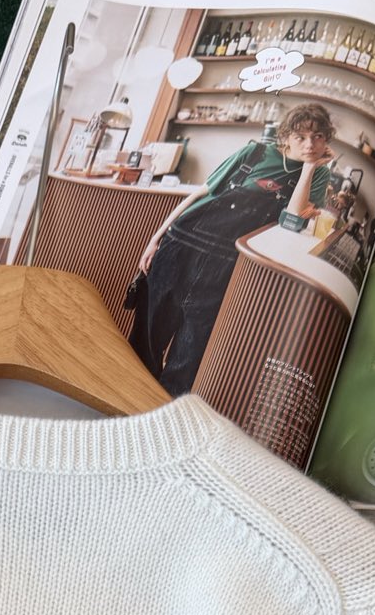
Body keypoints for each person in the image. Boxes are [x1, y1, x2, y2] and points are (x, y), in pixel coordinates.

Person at [126, 104, 337, 396]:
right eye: (300, 137)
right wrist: (156, 238)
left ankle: (162, 416)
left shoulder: (318, 176)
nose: (309, 144)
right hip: (180, 247)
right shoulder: (255, 153)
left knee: (189, 359)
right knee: (145, 342)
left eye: (317, 137)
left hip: (226, 266)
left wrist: (310, 168)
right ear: (286, 137)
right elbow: (199, 194)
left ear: (326, 141)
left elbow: (291, 221)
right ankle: (123, 405)